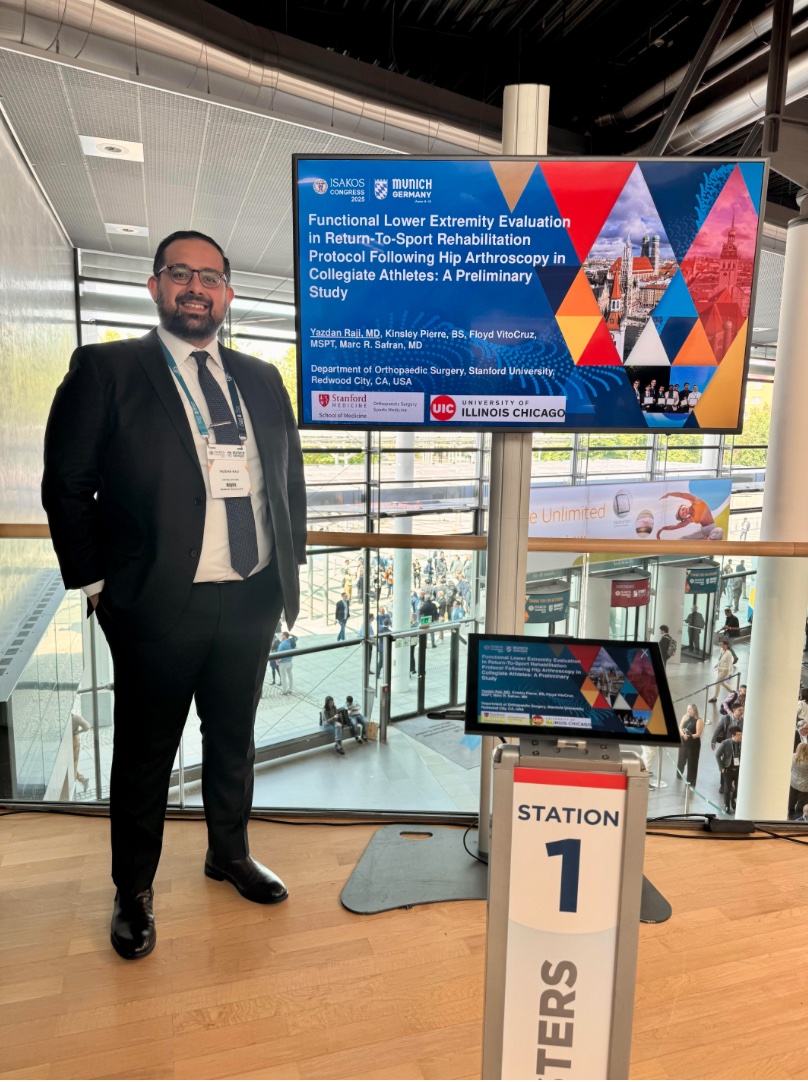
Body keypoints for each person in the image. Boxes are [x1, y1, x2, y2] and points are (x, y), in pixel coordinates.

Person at [41, 230, 306, 961]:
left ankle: (228, 854)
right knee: (145, 755)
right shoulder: (107, 368)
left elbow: (287, 484)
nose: (197, 287)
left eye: (211, 277)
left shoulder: (261, 378)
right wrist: (97, 586)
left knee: (233, 741)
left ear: (228, 293)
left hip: (250, 597)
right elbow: (66, 486)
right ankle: (133, 892)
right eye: (181, 274)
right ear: (155, 287)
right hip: (156, 603)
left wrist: (287, 575)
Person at [656, 491, 723, 541]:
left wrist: (669, 494)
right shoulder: (690, 519)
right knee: (682, 539)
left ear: (684, 505)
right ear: (684, 517)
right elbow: (675, 526)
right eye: (683, 514)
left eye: (683, 509)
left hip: (712, 529)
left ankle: (705, 540)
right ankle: (704, 539)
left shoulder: (696, 501)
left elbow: (681, 495)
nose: (684, 512)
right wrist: (662, 529)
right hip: (703, 532)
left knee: (720, 531)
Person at [715, 726, 743, 813]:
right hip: (728, 769)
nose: (740, 736)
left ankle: (733, 798)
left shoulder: (743, 744)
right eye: (738, 735)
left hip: (739, 770)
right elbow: (717, 755)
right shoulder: (725, 743)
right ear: (733, 735)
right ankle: (727, 805)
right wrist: (721, 768)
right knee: (727, 788)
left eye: (741, 734)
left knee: (738, 787)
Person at [677, 704, 703, 787]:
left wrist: (691, 736)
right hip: (684, 742)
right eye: (688, 709)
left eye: (690, 709)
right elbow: (680, 727)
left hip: (693, 744)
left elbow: (698, 733)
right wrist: (683, 735)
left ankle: (691, 781)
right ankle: (679, 774)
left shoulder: (698, 720)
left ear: (694, 710)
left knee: (692, 762)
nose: (688, 710)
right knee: (681, 759)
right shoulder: (685, 717)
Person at [72, 712, 91, 793]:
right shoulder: (75, 717)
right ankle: (82, 779)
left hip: (66, 741)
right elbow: (87, 727)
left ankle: (81, 779)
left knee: (72, 764)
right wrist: (77, 732)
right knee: (74, 763)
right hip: (74, 740)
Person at [788, 744, 808, 818]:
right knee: (801, 803)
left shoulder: (793, 757)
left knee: (791, 801)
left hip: (793, 782)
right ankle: (797, 819)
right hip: (804, 786)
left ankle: (790, 815)